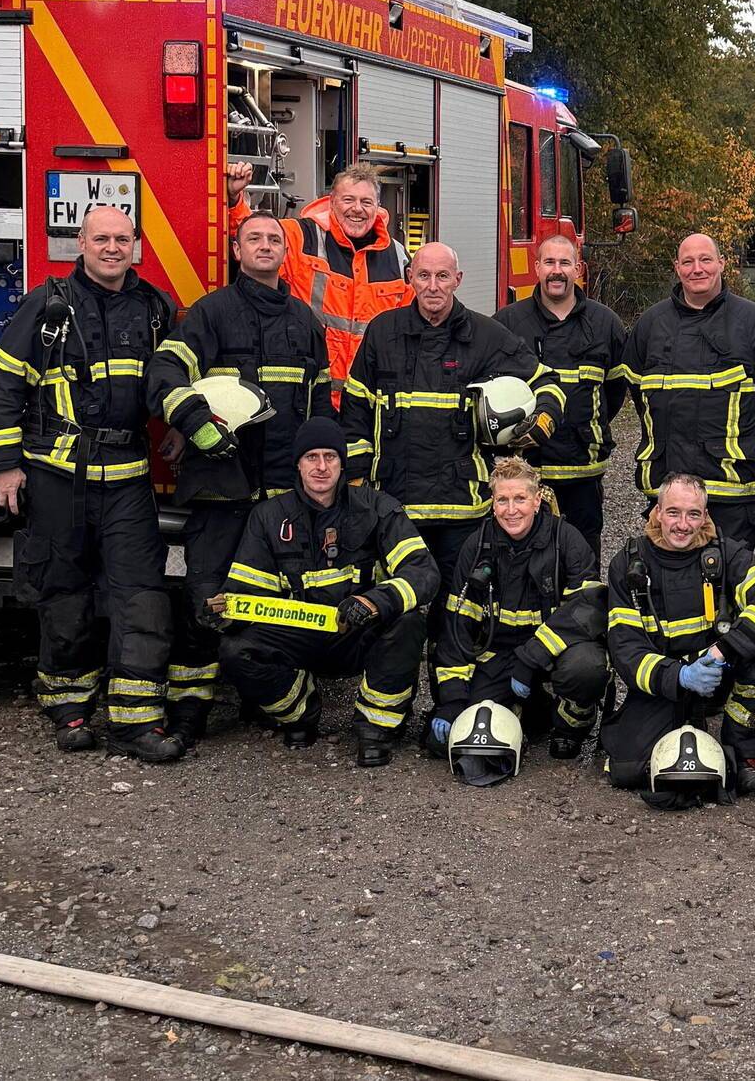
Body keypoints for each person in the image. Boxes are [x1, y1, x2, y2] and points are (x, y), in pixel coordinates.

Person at [0, 206, 183, 763]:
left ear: (136, 245)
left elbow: (181, 379)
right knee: (62, 593)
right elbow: (2, 387)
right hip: (55, 476)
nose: (113, 248)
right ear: (81, 242)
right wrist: (3, 464)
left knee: (141, 596)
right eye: (102, 239)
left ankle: (137, 720)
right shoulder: (46, 308)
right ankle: (68, 709)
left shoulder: (156, 308)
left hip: (127, 480)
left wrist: (184, 433)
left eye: (123, 239)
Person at [146, 210, 329, 743]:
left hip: (282, 496)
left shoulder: (304, 322)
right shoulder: (210, 314)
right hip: (221, 486)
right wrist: (194, 424)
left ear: (285, 251)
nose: (266, 245)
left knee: (283, 597)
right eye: (255, 238)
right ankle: (188, 711)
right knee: (207, 598)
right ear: (237, 250)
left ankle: (267, 697)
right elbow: (164, 373)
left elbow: (318, 409)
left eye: (275, 238)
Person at [212, 417, 442, 766]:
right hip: (300, 638)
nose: (322, 467)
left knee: (408, 624)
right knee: (235, 650)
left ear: (342, 463)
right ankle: (300, 715)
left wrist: (374, 601)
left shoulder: (377, 508)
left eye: (331, 457)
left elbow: (423, 572)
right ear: (298, 464)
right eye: (312, 457)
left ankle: (376, 728)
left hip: (358, 632)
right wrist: (222, 611)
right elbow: (247, 591)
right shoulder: (269, 517)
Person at [342, 241, 563, 583]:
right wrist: (357, 480)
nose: (433, 286)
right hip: (395, 504)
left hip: (462, 509)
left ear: (457, 279)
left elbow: (545, 381)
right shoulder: (383, 332)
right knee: (399, 601)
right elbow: (356, 409)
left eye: (442, 276)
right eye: (424, 275)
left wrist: (543, 419)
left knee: (458, 604)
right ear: (409, 278)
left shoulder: (485, 335)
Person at [603, 472, 755, 803]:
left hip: (719, 673)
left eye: (693, 514)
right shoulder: (628, 565)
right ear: (656, 512)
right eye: (673, 512)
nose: (683, 524)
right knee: (628, 769)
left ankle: (744, 752)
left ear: (705, 516)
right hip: (668, 681)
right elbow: (626, 649)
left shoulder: (727, 555)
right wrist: (679, 676)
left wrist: (724, 651)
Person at [426, 458, 609, 763]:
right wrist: (452, 701)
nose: (511, 510)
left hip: (551, 654)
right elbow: (457, 629)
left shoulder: (566, 540)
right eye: (503, 500)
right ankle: (533, 712)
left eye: (520, 499)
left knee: (586, 666)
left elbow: (587, 610)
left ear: (537, 500)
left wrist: (532, 657)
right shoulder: (477, 546)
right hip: (500, 657)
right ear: (492, 504)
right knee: (449, 742)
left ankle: (571, 725)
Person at [619, 233, 755, 549]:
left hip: (731, 496)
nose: (697, 269)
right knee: (667, 588)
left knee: (730, 587)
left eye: (706, 260)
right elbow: (637, 397)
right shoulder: (650, 326)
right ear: (677, 267)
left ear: (722, 264)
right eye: (688, 261)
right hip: (666, 493)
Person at [223, 160, 412, 396]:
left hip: (368, 401)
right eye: (348, 200)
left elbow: (412, 324)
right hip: (310, 395)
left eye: (366, 202)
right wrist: (234, 199)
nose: (357, 209)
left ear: (378, 207)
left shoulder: (396, 255)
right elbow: (250, 234)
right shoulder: (299, 236)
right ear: (331, 202)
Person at [495, 231, 627, 561]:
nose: (557, 270)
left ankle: (583, 613)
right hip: (524, 470)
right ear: (537, 268)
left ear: (578, 269)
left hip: (583, 470)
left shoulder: (605, 323)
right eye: (550, 262)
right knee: (522, 557)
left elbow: (614, 391)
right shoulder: (509, 322)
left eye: (565, 263)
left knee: (582, 556)